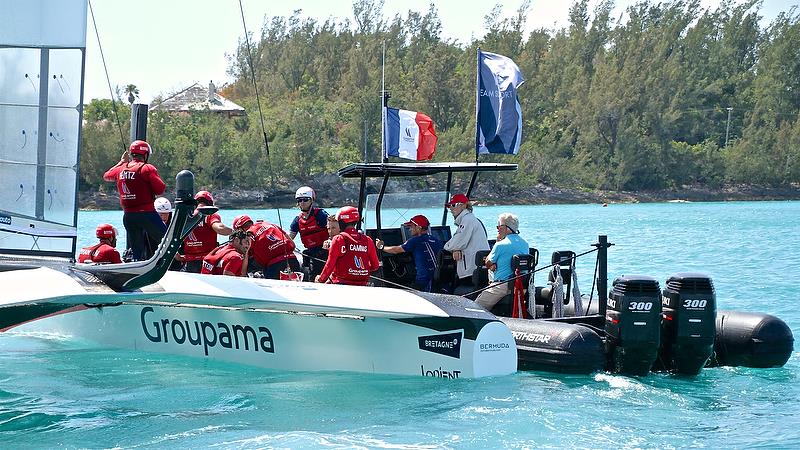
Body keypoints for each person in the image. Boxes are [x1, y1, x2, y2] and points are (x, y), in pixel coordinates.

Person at [102, 139, 167, 261]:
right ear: (145, 155)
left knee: (137, 250)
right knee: (167, 240)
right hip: (147, 214)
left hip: (129, 217)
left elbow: (107, 176)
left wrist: (121, 162)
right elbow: (160, 189)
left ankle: (137, 265)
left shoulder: (121, 169)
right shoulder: (147, 168)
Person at [475, 213, 530, 311]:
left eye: (499, 226)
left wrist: (497, 242)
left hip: (502, 286)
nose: (497, 229)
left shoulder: (500, 245)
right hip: (520, 286)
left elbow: (488, 262)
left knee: (477, 307)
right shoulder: (525, 244)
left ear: (506, 228)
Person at [375, 214, 443, 292]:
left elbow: (396, 250)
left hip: (423, 282)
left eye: (411, 226)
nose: (410, 229)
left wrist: (382, 247)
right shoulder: (436, 240)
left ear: (418, 227)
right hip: (437, 280)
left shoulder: (415, 241)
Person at [315, 206, 379, 286]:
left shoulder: (338, 239)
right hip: (363, 285)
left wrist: (320, 280)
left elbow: (329, 265)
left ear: (341, 222)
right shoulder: (368, 240)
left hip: (341, 285)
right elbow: (375, 266)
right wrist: (359, 271)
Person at [232, 214, 300, 279]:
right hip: (292, 260)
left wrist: (242, 275)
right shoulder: (270, 224)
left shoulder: (248, 235)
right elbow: (292, 244)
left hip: (274, 266)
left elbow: (246, 257)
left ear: (239, 230)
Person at [180, 190, 233, 273]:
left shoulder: (187, 216)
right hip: (207, 262)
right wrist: (233, 232)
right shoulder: (209, 213)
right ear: (210, 203)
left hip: (188, 263)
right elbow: (219, 228)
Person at [442, 193, 489, 285]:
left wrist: (450, 247)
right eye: (449, 206)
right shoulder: (472, 219)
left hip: (471, 272)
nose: (450, 208)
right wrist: (455, 248)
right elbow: (458, 243)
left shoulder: (467, 220)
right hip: (477, 269)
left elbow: (456, 243)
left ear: (464, 205)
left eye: (453, 205)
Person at [289, 186, 329, 278]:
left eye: (305, 200)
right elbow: (290, 237)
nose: (302, 203)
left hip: (324, 253)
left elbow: (334, 229)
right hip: (310, 254)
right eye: (299, 200)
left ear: (312, 200)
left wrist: (330, 240)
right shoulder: (297, 220)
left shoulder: (321, 215)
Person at [154, 197, 183, 271]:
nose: (164, 217)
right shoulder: (149, 228)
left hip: (173, 263)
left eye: (166, 214)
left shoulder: (174, 226)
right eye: (161, 215)